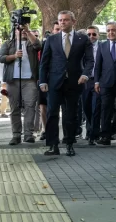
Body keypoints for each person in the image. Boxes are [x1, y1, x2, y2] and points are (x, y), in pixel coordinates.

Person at [39, 11, 94, 156]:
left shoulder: (83, 39)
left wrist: (85, 74)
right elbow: (44, 62)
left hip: (74, 82)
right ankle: (52, 145)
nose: (63, 22)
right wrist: (42, 81)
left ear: (73, 22)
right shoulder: (52, 39)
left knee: (70, 115)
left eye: (66, 20)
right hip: (54, 83)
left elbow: (90, 60)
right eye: (60, 20)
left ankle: (69, 143)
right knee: (52, 114)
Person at [0, 24, 42, 145]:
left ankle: (29, 134)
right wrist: (14, 56)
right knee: (15, 108)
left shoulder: (31, 42)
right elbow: (1, 58)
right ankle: (16, 135)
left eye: (24, 29)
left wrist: (28, 31)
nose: (22, 31)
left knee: (30, 106)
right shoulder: (8, 44)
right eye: (20, 29)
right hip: (13, 80)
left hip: (30, 80)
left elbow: (38, 46)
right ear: (15, 31)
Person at [38, 22, 61, 141]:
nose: (59, 30)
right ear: (53, 30)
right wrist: (42, 80)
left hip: (64, 81)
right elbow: (43, 62)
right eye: (57, 29)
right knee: (44, 106)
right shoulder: (47, 42)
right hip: (47, 80)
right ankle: (45, 129)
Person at [83, 26, 102, 143]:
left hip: (98, 80)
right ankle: (90, 130)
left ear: (98, 35)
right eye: (89, 34)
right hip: (85, 81)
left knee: (96, 108)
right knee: (86, 107)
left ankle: (93, 135)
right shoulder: (82, 47)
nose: (91, 37)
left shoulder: (103, 47)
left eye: (94, 34)